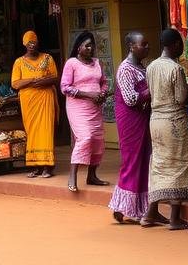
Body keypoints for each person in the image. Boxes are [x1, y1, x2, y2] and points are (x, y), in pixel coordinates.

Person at [145, 28, 188, 230]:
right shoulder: (175, 69)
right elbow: (181, 98)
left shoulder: (151, 66)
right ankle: (175, 218)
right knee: (181, 163)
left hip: (156, 120)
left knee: (159, 164)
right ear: (176, 44)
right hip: (174, 121)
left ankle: (150, 213)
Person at [109, 31, 152, 224]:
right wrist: (151, 90)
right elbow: (131, 98)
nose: (147, 47)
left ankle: (138, 207)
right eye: (143, 44)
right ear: (131, 47)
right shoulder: (126, 69)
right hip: (130, 120)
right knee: (132, 160)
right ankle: (122, 206)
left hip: (142, 118)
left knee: (143, 160)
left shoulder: (141, 67)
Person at [61, 30, 109, 193]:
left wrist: (102, 94)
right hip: (78, 107)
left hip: (95, 107)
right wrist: (88, 94)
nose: (91, 48)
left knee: (97, 139)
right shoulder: (72, 63)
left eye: (92, 45)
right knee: (85, 137)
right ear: (78, 47)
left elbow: (104, 82)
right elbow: (65, 87)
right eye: (87, 46)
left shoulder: (97, 63)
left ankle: (92, 175)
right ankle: (73, 176)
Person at [12, 30, 59, 178]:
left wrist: (42, 82)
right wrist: (32, 80)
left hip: (45, 98)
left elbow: (54, 77)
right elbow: (15, 83)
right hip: (29, 102)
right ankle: (35, 166)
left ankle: (47, 166)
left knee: (46, 131)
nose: (32, 45)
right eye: (29, 42)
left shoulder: (47, 58)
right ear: (24, 44)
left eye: (34, 42)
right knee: (32, 132)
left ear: (38, 43)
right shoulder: (19, 62)